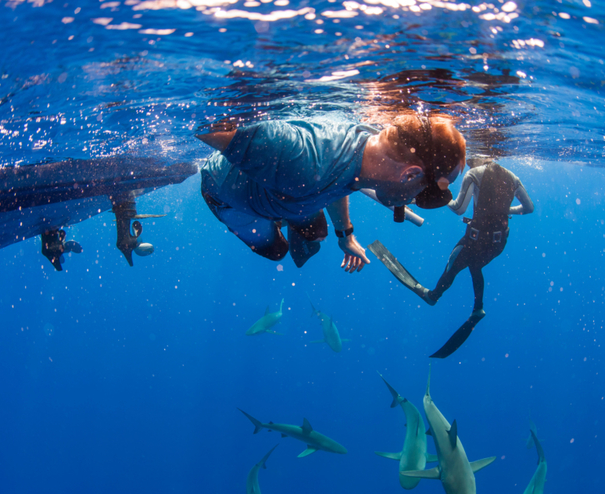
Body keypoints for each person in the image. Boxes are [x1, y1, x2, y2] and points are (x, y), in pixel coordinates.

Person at [197, 113, 466, 271]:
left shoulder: (367, 152)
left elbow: (344, 180)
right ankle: (281, 219)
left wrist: (345, 235)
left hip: (298, 195)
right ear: (410, 174)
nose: (412, 201)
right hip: (232, 201)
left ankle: (291, 213)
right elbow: (203, 126)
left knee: (315, 238)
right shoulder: (297, 158)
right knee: (277, 251)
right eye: (422, 195)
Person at [369, 158, 533, 358]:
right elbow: (529, 207)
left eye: (470, 160)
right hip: (498, 244)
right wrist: (506, 210)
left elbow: (459, 209)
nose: (469, 164)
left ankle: (433, 296)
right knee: (476, 265)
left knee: (455, 262)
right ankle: (478, 307)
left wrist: (440, 198)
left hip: (476, 239)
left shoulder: (475, 174)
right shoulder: (512, 177)